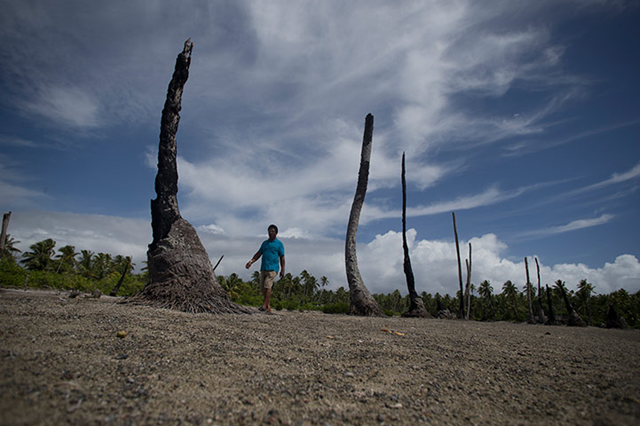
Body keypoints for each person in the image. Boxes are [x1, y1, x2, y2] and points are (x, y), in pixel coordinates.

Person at [245, 224, 285, 313]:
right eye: (269, 231)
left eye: (272, 231)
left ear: (276, 233)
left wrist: (282, 270)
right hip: (264, 268)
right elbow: (258, 253)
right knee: (264, 288)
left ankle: (264, 306)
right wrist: (251, 262)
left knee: (268, 285)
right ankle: (268, 307)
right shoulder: (265, 243)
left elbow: (282, 257)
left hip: (273, 268)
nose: (270, 233)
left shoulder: (279, 244)